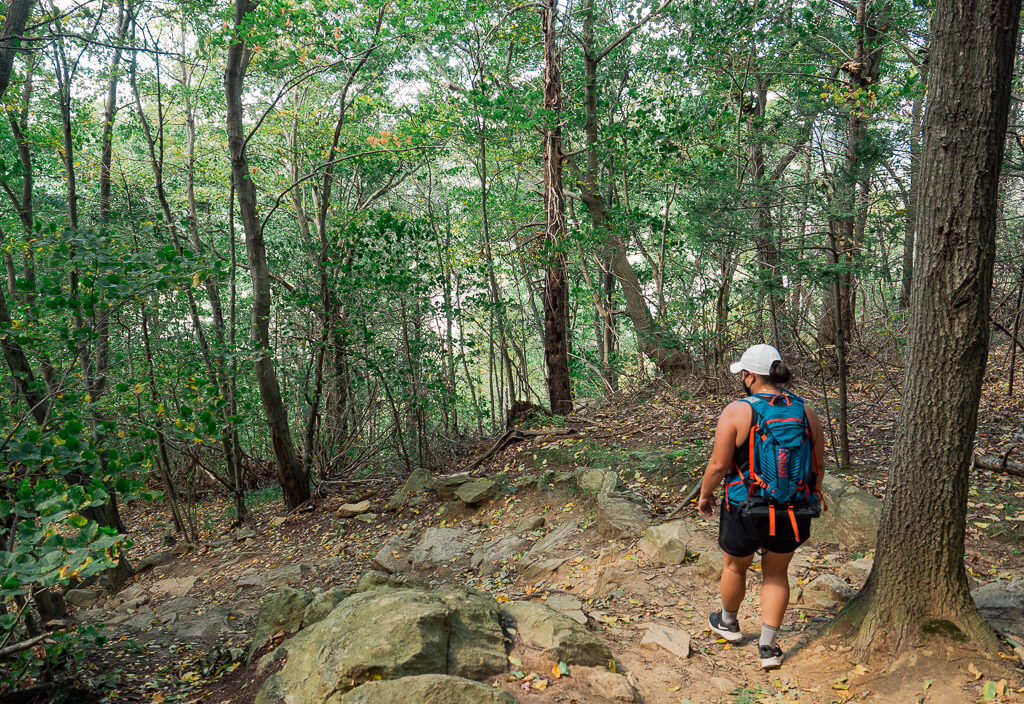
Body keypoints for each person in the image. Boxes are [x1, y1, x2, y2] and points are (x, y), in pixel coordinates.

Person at [697, 344, 825, 669]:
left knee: (734, 567)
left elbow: (717, 464)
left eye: (743, 373)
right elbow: (817, 465)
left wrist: (705, 495)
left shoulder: (737, 411)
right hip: (792, 511)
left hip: (745, 508)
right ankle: (768, 647)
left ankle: (728, 623)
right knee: (777, 574)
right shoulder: (805, 410)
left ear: (749, 376)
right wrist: (813, 492)